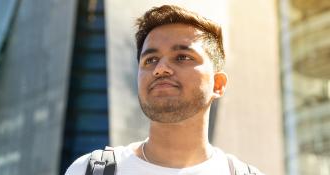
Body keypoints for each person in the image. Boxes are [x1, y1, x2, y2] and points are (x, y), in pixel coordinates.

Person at [64, 5, 263, 175]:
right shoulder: (88, 170)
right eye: (150, 60)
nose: (160, 69)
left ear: (217, 84)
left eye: (182, 57)